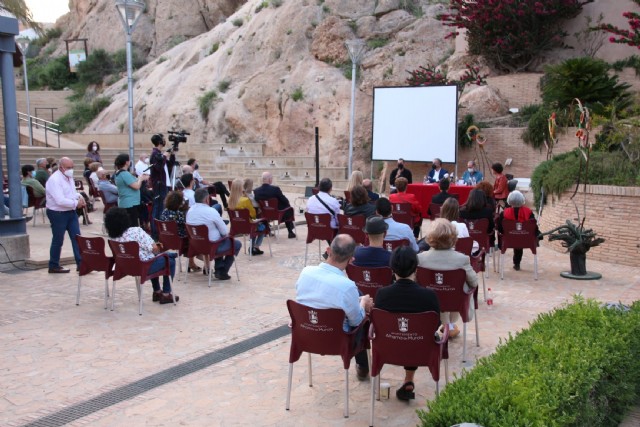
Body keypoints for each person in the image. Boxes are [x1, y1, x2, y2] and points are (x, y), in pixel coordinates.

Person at [295, 234, 374, 380]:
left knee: (354, 299)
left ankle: (363, 366)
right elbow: (356, 322)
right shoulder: (348, 286)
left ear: (328, 250)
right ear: (351, 260)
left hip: (306, 334)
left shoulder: (305, 272)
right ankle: (363, 366)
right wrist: (363, 302)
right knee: (361, 310)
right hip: (336, 340)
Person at [375, 246, 440, 401]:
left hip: (388, 348)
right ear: (416, 267)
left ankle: (408, 381)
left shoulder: (382, 295)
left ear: (392, 268)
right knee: (416, 334)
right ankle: (408, 379)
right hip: (421, 349)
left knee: (409, 334)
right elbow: (435, 326)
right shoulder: (429, 296)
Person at [105, 207, 179, 304]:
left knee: (152, 257)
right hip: (143, 267)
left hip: (126, 267)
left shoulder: (113, 239)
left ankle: (157, 291)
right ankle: (166, 294)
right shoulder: (136, 231)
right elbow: (154, 249)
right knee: (169, 261)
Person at [418, 219, 478, 338]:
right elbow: (474, 282)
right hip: (454, 301)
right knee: (460, 288)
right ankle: (449, 325)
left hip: (429, 302)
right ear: (453, 238)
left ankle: (446, 325)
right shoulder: (462, 259)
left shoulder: (420, 258)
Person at [186, 188, 242, 280]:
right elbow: (224, 232)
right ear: (207, 199)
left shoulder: (190, 211)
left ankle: (219, 269)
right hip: (211, 246)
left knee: (217, 237)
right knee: (236, 244)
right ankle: (222, 271)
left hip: (195, 246)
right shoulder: (211, 211)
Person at [45, 157, 85, 273]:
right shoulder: (54, 180)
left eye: (72, 167)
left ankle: (81, 263)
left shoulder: (69, 177)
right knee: (58, 239)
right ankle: (53, 265)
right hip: (57, 212)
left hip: (70, 211)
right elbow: (60, 200)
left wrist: (78, 197)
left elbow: (70, 193)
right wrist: (75, 203)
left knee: (77, 237)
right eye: (68, 168)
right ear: (61, 167)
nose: (71, 170)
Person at [497, 190, 540, 271]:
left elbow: (500, 228)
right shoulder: (529, 212)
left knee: (515, 236)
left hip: (508, 240)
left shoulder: (504, 213)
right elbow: (534, 227)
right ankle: (517, 263)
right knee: (519, 237)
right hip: (525, 239)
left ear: (509, 200)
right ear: (522, 200)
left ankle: (516, 264)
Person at [160, 191, 201, 272]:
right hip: (180, 239)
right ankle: (194, 260)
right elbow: (188, 222)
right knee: (194, 236)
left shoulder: (165, 211)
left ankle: (191, 262)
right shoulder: (180, 213)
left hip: (168, 238)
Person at [228, 178, 266, 255]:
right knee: (263, 226)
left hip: (236, 227)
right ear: (240, 188)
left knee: (255, 225)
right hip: (248, 227)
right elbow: (253, 215)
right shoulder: (245, 200)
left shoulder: (229, 200)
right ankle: (255, 246)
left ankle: (253, 248)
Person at [253, 171, 296, 238]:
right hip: (277, 214)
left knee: (284, 207)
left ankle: (267, 230)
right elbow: (285, 200)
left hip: (264, 214)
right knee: (288, 208)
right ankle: (290, 231)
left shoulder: (256, 191)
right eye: (272, 178)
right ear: (269, 179)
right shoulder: (275, 189)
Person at [149, 133, 176, 239]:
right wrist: (164, 156)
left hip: (164, 184)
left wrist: (172, 154)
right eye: (163, 140)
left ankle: (159, 231)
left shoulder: (159, 154)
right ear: (160, 142)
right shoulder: (155, 154)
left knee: (162, 207)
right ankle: (155, 233)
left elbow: (169, 165)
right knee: (158, 208)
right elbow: (159, 168)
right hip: (159, 185)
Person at [113, 153, 149, 228]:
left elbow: (133, 181)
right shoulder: (124, 173)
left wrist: (140, 178)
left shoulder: (121, 173)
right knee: (132, 226)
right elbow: (136, 186)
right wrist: (141, 179)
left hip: (127, 202)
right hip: (129, 204)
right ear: (126, 162)